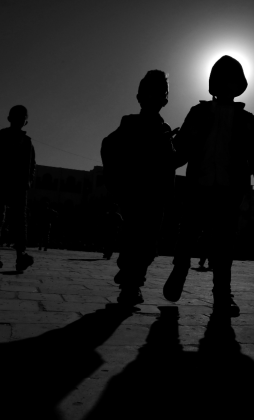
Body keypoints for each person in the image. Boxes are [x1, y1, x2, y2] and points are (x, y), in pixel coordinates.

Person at [163, 55, 254, 316]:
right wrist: (165, 154)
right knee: (187, 234)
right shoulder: (198, 113)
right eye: (222, 80)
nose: (227, 85)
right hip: (198, 187)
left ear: (240, 86)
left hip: (228, 190)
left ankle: (222, 295)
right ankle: (180, 270)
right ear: (213, 84)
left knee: (223, 244)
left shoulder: (248, 120)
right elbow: (181, 152)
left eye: (233, 80)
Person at [101, 70, 178, 305]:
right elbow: (108, 146)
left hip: (155, 196)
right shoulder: (130, 123)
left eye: (160, 93)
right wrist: (117, 182)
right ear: (140, 97)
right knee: (137, 237)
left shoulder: (165, 131)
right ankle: (131, 284)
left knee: (146, 242)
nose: (155, 98)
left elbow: (171, 163)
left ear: (165, 99)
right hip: (135, 193)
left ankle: (130, 277)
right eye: (150, 93)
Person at [0, 105, 35, 271]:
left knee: (16, 221)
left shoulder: (26, 141)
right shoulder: (0, 136)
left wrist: (28, 182)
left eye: (22, 117)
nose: (19, 120)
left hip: (17, 186)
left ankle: (18, 255)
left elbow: (31, 165)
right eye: (17, 117)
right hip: (1, 183)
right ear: (10, 118)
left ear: (25, 121)